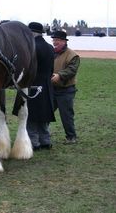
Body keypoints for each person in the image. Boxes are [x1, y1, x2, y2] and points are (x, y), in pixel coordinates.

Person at [27, 22, 56, 151]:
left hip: (33, 84)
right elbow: (51, 69)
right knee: (43, 116)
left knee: (31, 116)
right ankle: (45, 141)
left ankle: (34, 143)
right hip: (46, 84)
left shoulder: (31, 47)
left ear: (32, 33)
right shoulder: (50, 47)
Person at [51, 30, 80, 144]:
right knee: (46, 112)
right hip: (52, 89)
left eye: (57, 40)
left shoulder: (73, 55)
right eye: (54, 40)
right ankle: (44, 135)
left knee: (66, 115)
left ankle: (71, 137)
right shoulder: (52, 53)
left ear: (63, 41)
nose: (55, 42)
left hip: (66, 90)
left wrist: (60, 75)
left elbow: (72, 70)